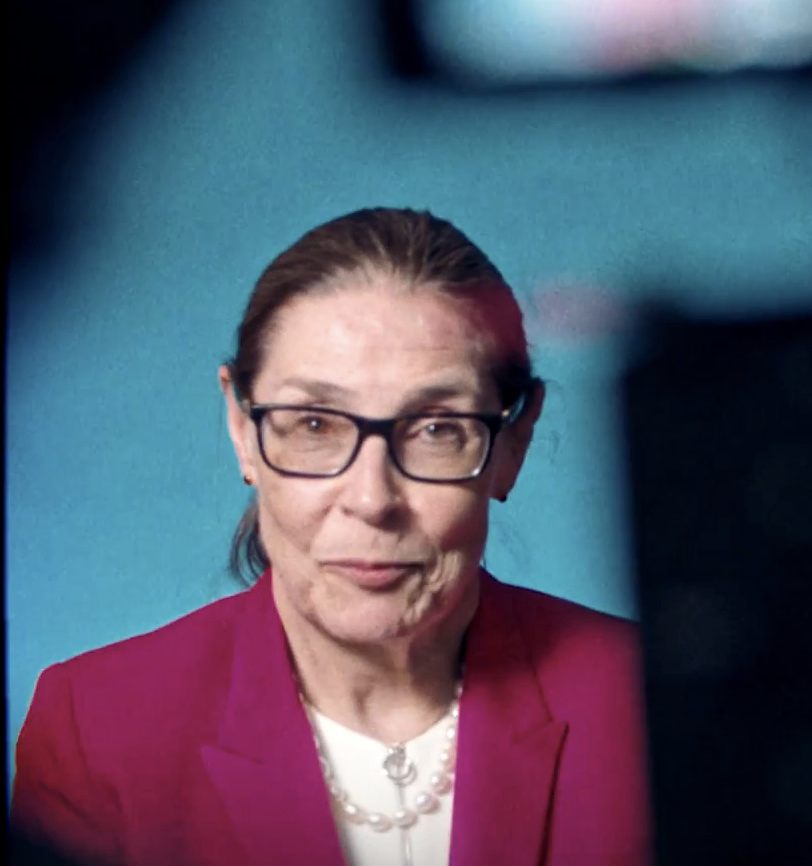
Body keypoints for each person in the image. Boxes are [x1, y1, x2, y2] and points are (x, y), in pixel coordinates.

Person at [10, 208, 653, 866]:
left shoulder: (652, 707)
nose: (372, 501)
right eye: (314, 425)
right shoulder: (96, 727)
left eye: (436, 429)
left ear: (513, 442)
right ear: (242, 429)